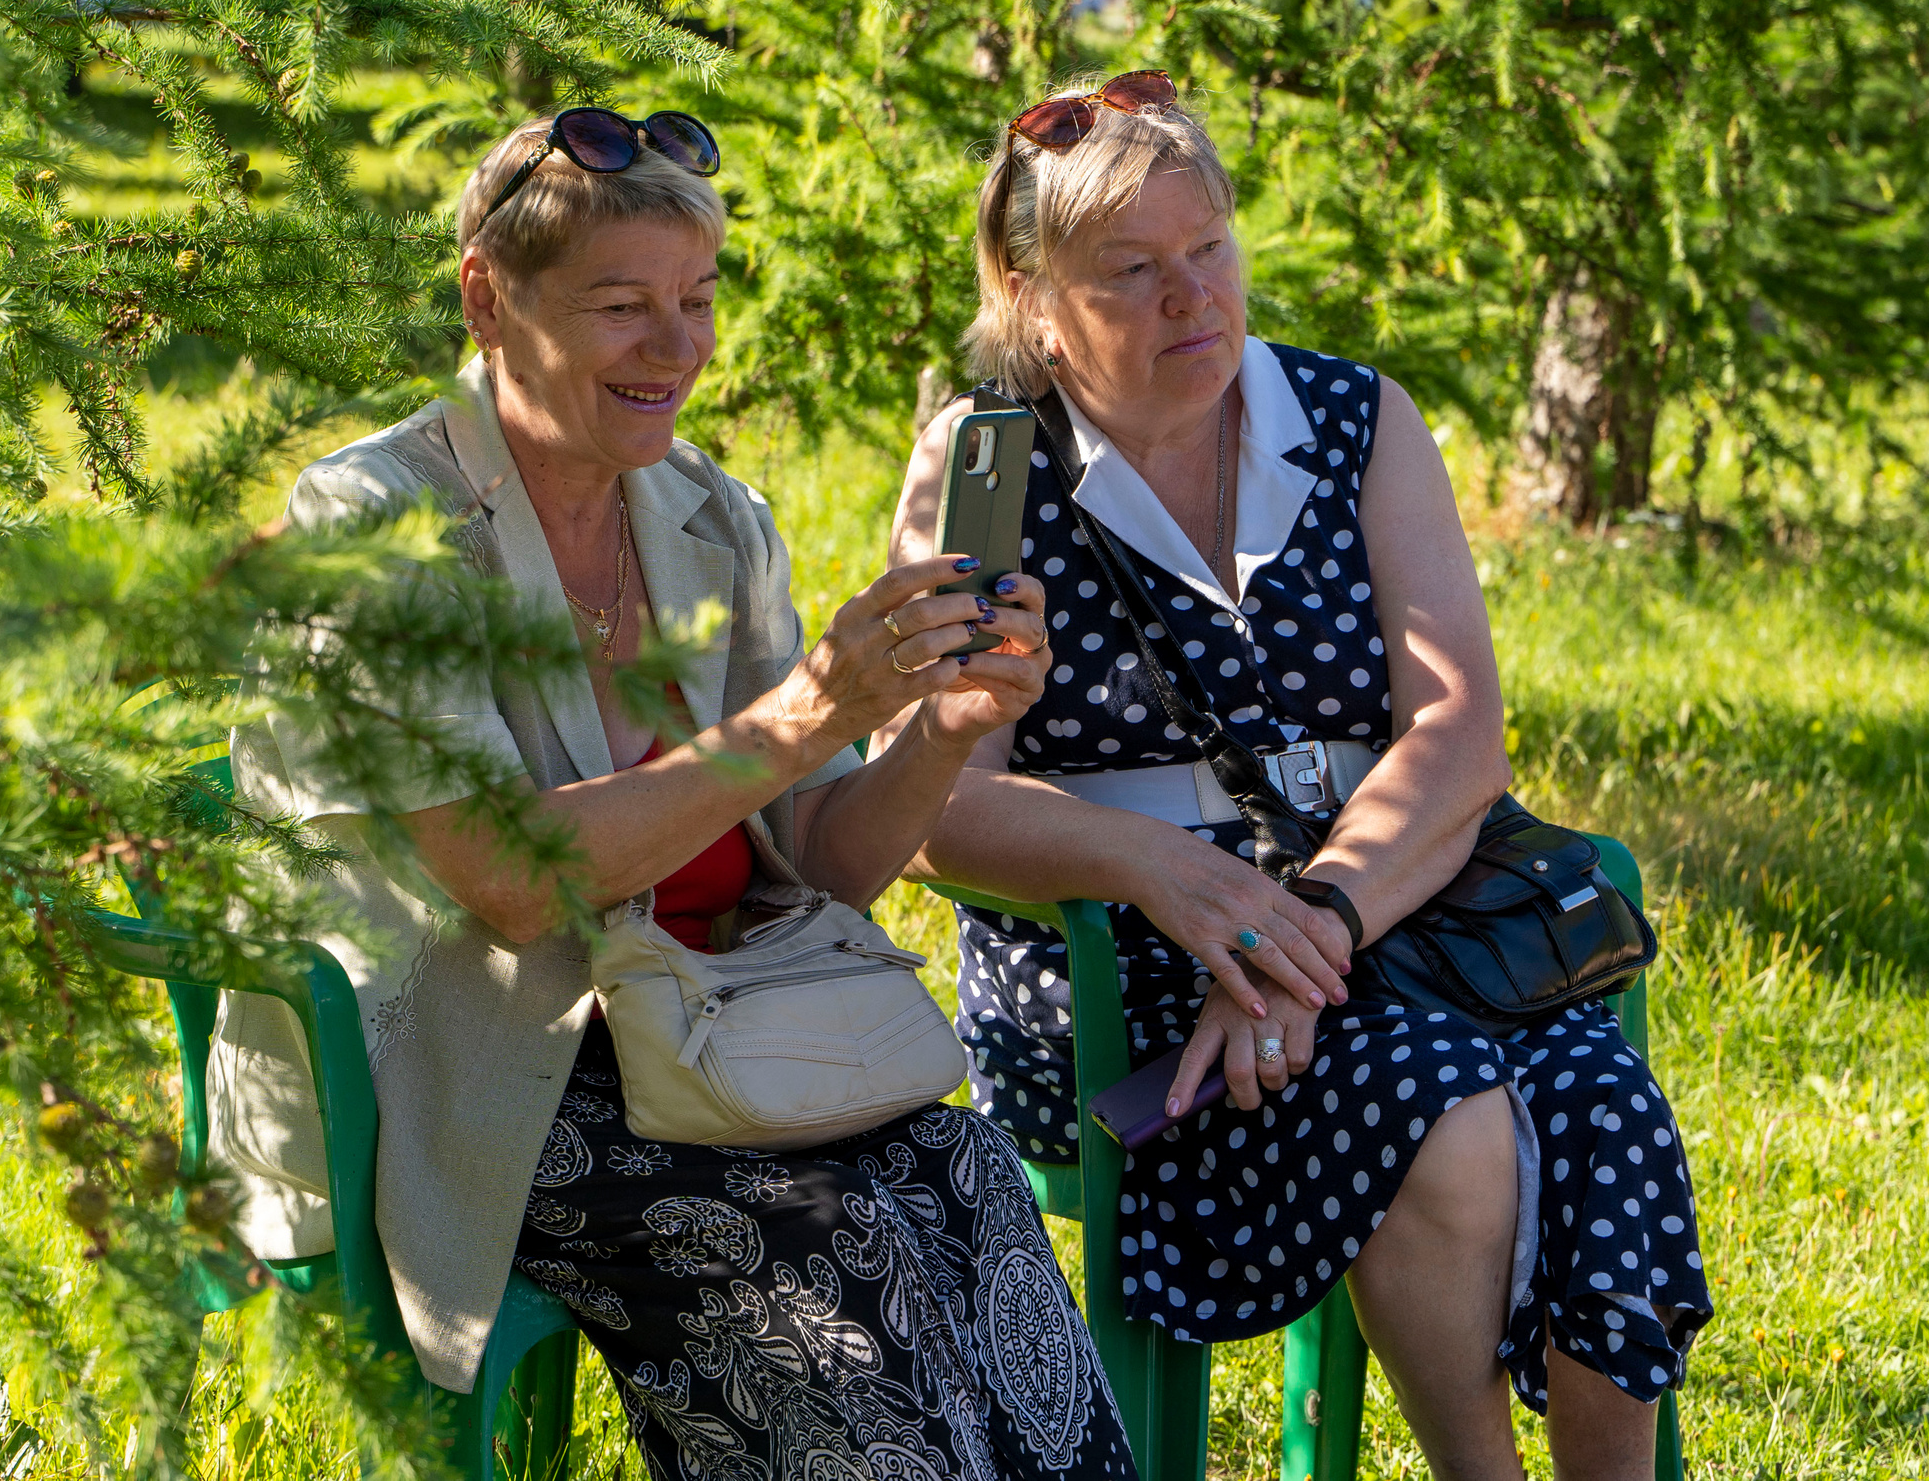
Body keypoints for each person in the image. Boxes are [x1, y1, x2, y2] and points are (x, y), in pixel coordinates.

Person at [216, 109, 1135, 1481]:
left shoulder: (710, 517)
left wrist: (943, 729)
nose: (676, 347)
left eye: (697, 301)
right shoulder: (375, 522)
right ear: (488, 297)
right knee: (826, 1238)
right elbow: (513, 885)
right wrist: (807, 710)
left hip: (709, 1026)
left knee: (973, 1178)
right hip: (475, 1067)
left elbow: (823, 863)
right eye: (621, 306)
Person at [876, 74, 1711, 1481]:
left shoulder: (1354, 416)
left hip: (1382, 919)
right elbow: (932, 804)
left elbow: (1459, 733)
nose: (1191, 295)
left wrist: (1305, 928)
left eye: (1210, 247)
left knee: (1601, 1107)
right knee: (1440, 1111)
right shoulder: (985, 467)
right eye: (1131, 271)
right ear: (1030, 298)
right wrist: (1164, 873)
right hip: (1123, 979)